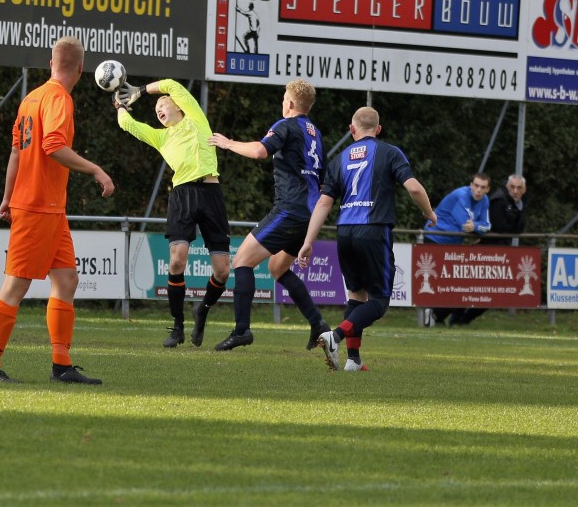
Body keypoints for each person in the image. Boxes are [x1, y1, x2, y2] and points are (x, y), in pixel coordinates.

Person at [0, 36, 115, 386]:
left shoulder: (31, 97)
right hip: (37, 206)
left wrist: (7, 197)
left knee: (67, 280)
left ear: (51, 63)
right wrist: (96, 169)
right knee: (15, 286)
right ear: (81, 68)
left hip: (50, 209)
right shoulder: (58, 98)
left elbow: (16, 152)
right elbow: (53, 146)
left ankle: (61, 366)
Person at [299, 106, 436, 371]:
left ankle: (353, 360)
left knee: (356, 295)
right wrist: (429, 212)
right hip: (373, 230)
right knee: (379, 302)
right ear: (378, 129)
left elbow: (324, 203)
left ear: (352, 129)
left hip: (345, 232)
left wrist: (308, 241)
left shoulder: (339, 159)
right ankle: (335, 336)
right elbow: (414, 188)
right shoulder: (389, 152)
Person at [206, 79, 333, 352]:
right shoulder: (315, 134)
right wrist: (310, 233)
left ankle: (242, 330)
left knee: (241, 261)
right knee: (278, 268)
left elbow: (259, 151)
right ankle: (318, 323)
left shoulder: (285, 125)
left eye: (284, 98)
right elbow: (323, 182)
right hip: (309, 215)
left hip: (289, 210)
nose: (282, 102)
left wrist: (227, 143)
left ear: (290, 103)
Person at [113, 78, 231, 348]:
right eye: (156, 109)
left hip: (211, 194)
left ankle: (202, 311)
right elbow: (128, 124)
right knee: (177, 262)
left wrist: (141, 91)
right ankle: (178, 326)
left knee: (223, 271)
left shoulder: (196, 118)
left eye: (163, 104)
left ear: (178, 106)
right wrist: (119, 105)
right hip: (182, 195)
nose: (158, 110)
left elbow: (170, 84)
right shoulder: (161, 137)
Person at [449, 174, 528, 326]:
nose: (515, 191)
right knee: (471, 287)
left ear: (524, 190)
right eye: (512, 187)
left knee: (493, 292)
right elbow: (499, 226)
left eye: (519, 188)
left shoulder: (520, 203)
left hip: (501, 253)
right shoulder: (498, 199)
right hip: (486, 252)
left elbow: (519, 229)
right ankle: (456, 319)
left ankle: (464, 320)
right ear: (507, 186)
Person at [424, 172, 492, 326]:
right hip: (435, 238)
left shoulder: (485, 200)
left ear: (487, 189)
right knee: (439, 282)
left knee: (457, 285)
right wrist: (476, 229)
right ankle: (431, 314)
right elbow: (465, 225)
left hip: (454, 244)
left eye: (482, 187)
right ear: (471, 185)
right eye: (476, 186)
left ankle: (436, 316)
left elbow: (486, 225)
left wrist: (476, 227)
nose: (478, 190)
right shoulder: (461, 195)